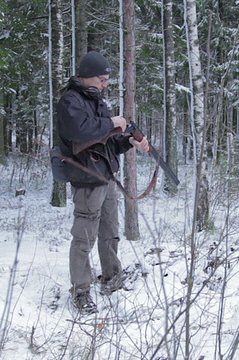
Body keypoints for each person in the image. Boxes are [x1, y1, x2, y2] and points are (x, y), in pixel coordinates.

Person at [56, 51, 149, 314]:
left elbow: (106, 142)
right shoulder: (70, 101)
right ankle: (81, 291)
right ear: (87, 77)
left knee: (110, 230)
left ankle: (112, 276)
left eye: (107, 79)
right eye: (102, 79)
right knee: (83, 236)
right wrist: (111, 122)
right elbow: (80, 132)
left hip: (105, 176)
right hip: (86, 178)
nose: (105, 84)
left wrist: (128, 141)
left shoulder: (97, 100)